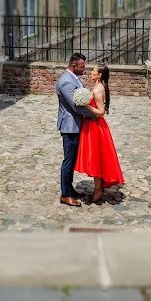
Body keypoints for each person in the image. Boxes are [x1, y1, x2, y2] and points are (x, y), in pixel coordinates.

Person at [75, 64, 124, 203]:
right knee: (99, 158)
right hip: (96, 126)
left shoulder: (97, 90)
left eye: (94, 71)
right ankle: (100, 188)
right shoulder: (100, 86)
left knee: (96, 159)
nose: (91, 72)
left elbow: (101, 113)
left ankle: (98, 190)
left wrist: (86, 105)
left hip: (95, 127)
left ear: (99, 75)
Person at [55, 53, 95, 206]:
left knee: (71, 162)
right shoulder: (66, 81)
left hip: (75, 126)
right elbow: (75, 106)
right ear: (74, 66)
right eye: (82, 66)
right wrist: (94, 115)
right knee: (68, 161)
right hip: (70, 127)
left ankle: (70, 190)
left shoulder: (74, 78)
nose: (84, 69)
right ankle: (65, 195)